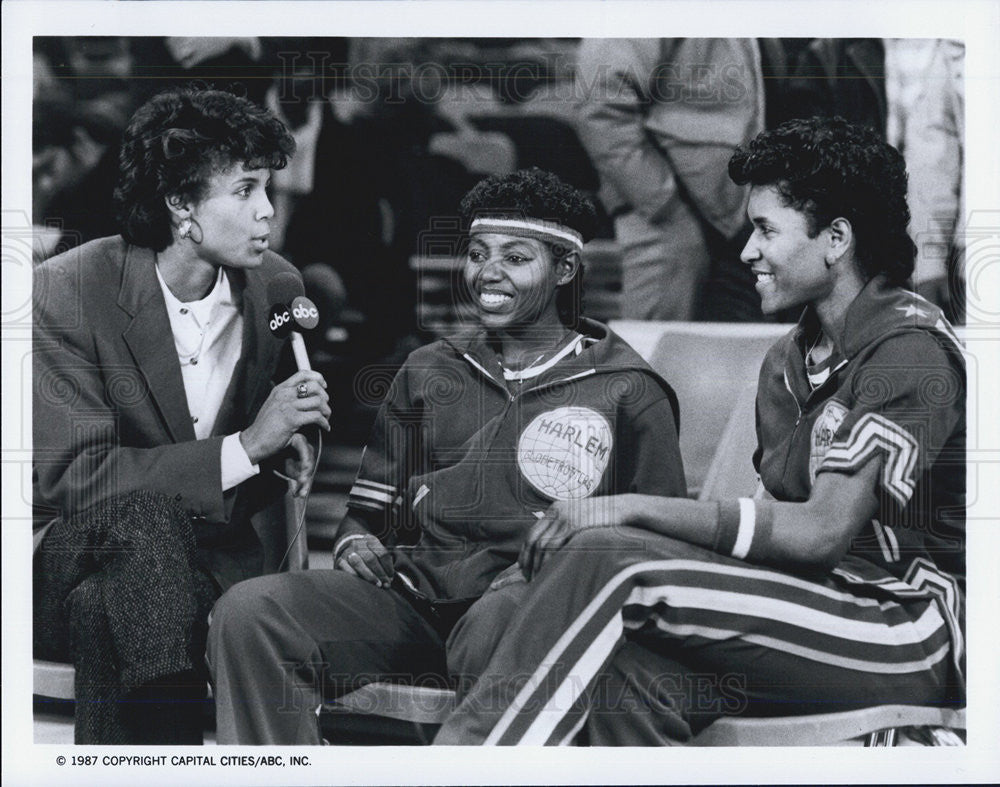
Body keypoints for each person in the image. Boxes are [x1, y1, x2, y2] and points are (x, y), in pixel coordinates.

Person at [433, 117, 966, 745]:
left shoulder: (908, 350)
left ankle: (462, 766)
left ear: (837, 239)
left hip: (904, 628)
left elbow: (820, 532)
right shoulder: (788, 361)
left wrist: (628, 509)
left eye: (766, 229)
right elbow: (776, 531)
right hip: (811, 605)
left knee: (608, 555)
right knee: (605, 671)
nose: (747, 251)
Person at [206, 168, 687, 744]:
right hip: (410, 604)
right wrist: (356, 542)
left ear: (565, 270)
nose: (489, 272)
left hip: (527, 612)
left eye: (515, 257)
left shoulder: (627, 388)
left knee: (496, 624)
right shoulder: (430, 369)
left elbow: (660, 544)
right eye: (479, 253)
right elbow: (369, 517)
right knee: (251, 614)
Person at [32, 87, 331, 744]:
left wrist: (296, 435)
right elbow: (74, 479)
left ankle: (154, 753)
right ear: (180, 204)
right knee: (141, 519)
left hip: (205, 568)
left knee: (106, 608)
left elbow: (280, 418)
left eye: (268, 189)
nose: (267, 211)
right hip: (78, 547)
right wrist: (247, 446)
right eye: (245, 189)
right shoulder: (68, 289)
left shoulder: (277, 286)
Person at [574, 39, 766, 321]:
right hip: (669, 216)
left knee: (723, 356)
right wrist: (666, 206)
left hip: (729, 218)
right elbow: (600, 110)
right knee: (655, 354)